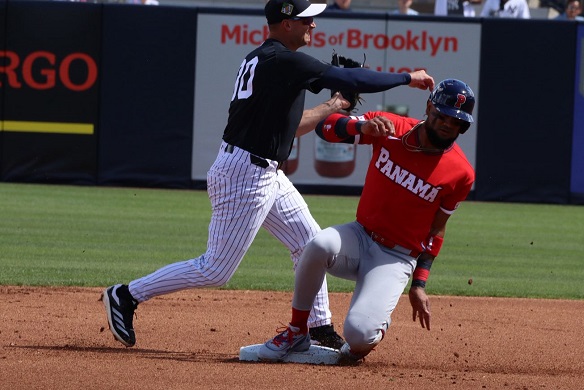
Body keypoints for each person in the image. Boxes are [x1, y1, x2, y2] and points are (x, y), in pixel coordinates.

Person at [101, 0, 435, 351]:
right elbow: (349, 77)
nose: (314, 26)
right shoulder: (283, 59)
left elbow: (288, 129)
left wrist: (335, 106)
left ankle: (318, 327)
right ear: (286, 23)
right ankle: (127, 294)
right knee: (216, 269)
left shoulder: (267, 60)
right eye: (307, 19)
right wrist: (405, 78)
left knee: (310, 243)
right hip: (245, 174)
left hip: (261, 170)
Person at [257, 79, 476, 363]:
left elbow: (436, 230)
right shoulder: (391, 128)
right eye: (442, 115)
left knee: (359, 335)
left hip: (396, 257)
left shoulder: (461, 173)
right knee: (318, 243)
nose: (447, 125)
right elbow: (325, 128)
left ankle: (366, 334)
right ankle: (297, 330)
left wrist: (419, 283)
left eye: (456, 122)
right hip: (360, 237)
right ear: (429, 107)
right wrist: (359, 126)